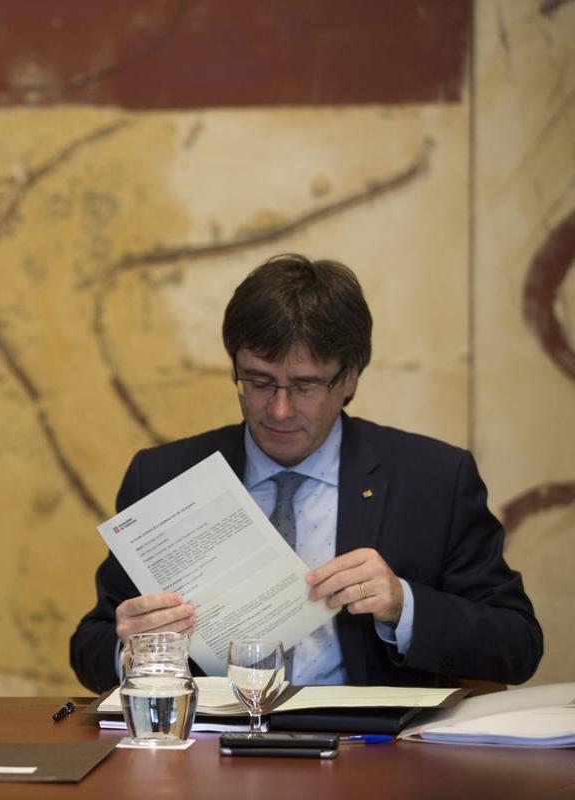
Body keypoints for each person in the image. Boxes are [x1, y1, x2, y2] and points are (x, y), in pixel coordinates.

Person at [69, 253, 542, 692]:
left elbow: (518, 644)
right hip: (210, 743)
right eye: (258, 382)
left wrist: (404, 605)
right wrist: (132, 648)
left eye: (305, 386)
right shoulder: (163, 476)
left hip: (368, 746)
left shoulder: (433, 479)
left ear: (349, 378)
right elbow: (89, 647)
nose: (278, 410)